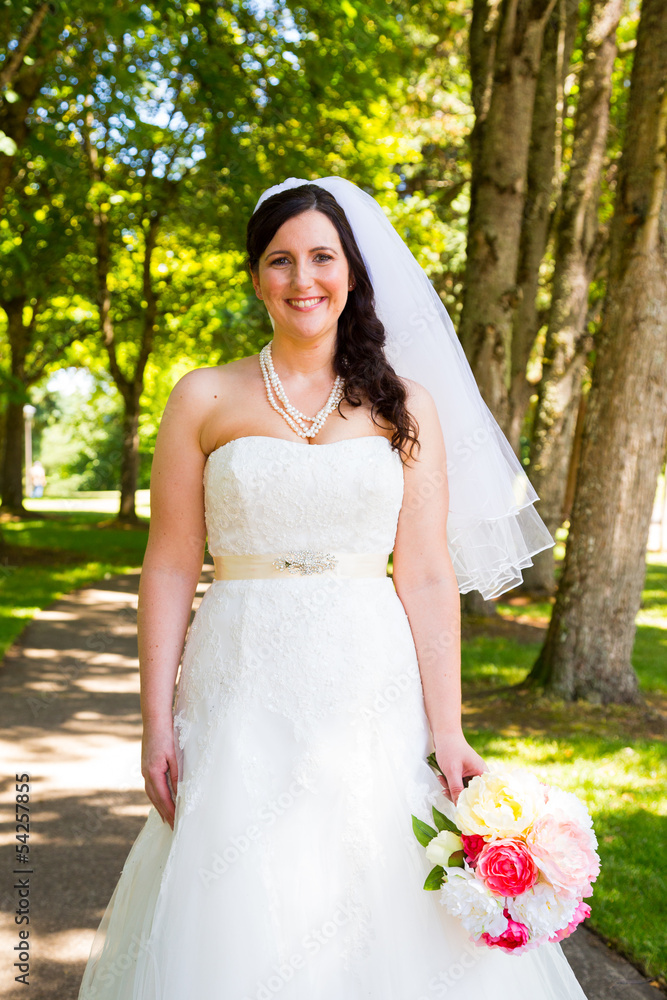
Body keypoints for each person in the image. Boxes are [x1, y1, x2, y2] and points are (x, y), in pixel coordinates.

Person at [78, 178, 588, 999]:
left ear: (350, 271)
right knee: (235, 879)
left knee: (375, 864)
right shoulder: (202, 395)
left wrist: (449, 730)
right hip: (238, 672)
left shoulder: (404, 405)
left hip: (367, 676)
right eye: (279, 260)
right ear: (255, 277)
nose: (301, 278)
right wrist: (154, 721)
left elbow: (422, 574)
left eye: (321, 256)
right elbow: (170, 563)